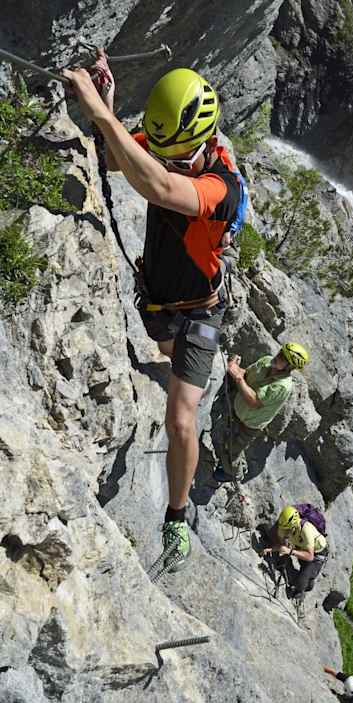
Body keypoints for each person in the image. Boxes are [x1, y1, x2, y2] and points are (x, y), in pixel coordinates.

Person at [64, 53, 244, 572]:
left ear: (207, 141)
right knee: (165, 357)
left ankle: (176, 514)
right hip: (159, 305)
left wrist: (98, 109)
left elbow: (163, 187)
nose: (170, 159)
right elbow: (122, 160)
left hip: (200, 314)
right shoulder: (174, 148)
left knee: (180, 417)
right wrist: (113, 109)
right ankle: (178, 371)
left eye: (178, 154)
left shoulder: (222, 188)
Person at [213, 342, 309, 483]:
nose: (278, 356)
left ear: (290, 367)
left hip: (250, 424)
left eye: (283, 358)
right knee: (230, 442)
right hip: (238, 410)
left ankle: (234, 474)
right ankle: (238, 463)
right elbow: (246, 374)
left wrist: (237, 377)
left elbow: (254, 402)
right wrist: (234, 367)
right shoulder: (266, 361)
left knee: (232, 451)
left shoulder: (282, 386)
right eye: (280, 353)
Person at [259, 504, 328, 599]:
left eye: (288, 529)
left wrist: (290, 551)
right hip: (301, 548)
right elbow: (282, 546)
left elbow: (310, 556)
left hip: (316, 555)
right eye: (284, 528)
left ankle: (309, 582)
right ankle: (305, 575)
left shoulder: (305, 529)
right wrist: (270, 549)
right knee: (295, 572)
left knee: (300, 584)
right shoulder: (284, 526)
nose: (285, 532)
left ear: (294, 525)